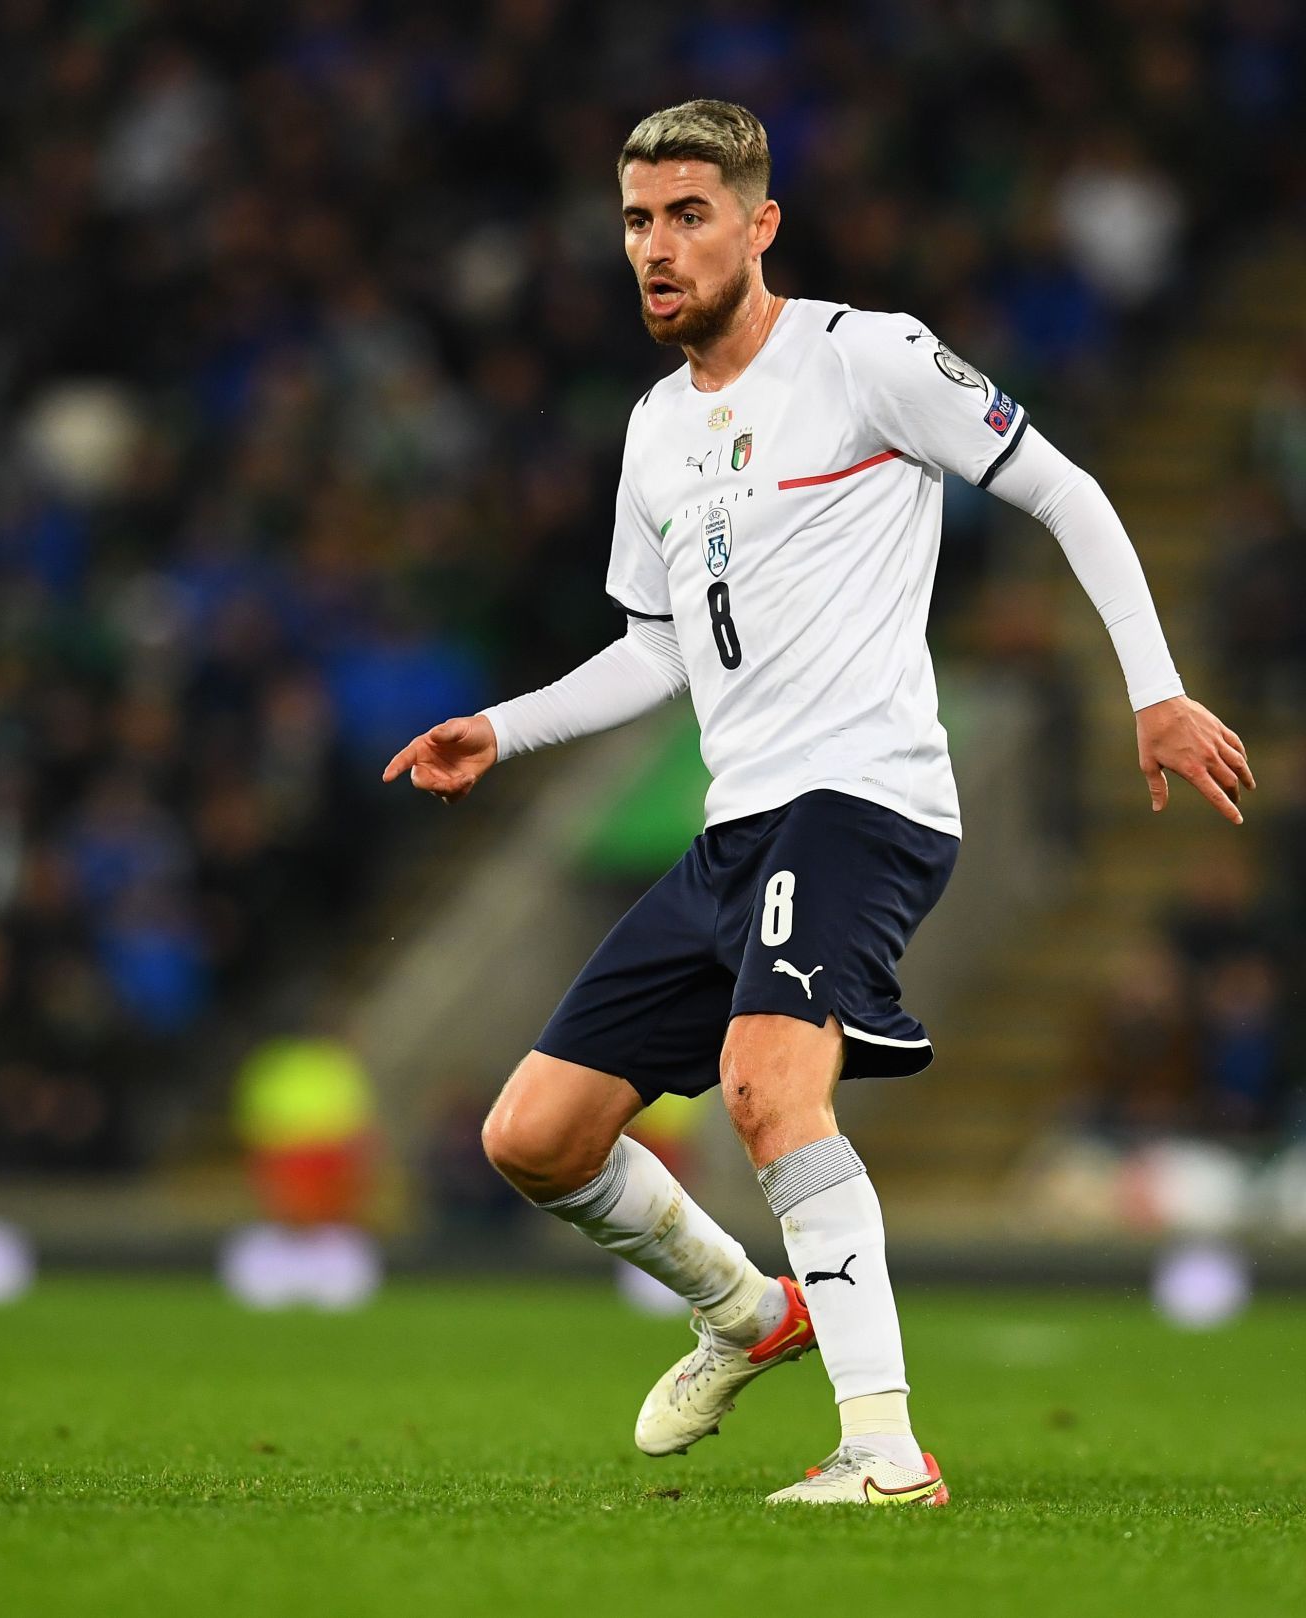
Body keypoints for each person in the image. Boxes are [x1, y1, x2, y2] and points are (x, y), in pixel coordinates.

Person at [382, 100, 1254, 1506]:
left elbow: (1068, 490)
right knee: (532, 1137)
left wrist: (1153, 689)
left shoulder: (870, 357)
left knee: (769, 1083)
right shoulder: (657, 426)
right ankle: (746, 1310)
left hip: (866, 798)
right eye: (636, 223)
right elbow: (656, 646)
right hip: (738, 826)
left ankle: (885, 1451)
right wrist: (503, 726)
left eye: (687, 216)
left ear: (759, 222)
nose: (656, 249)